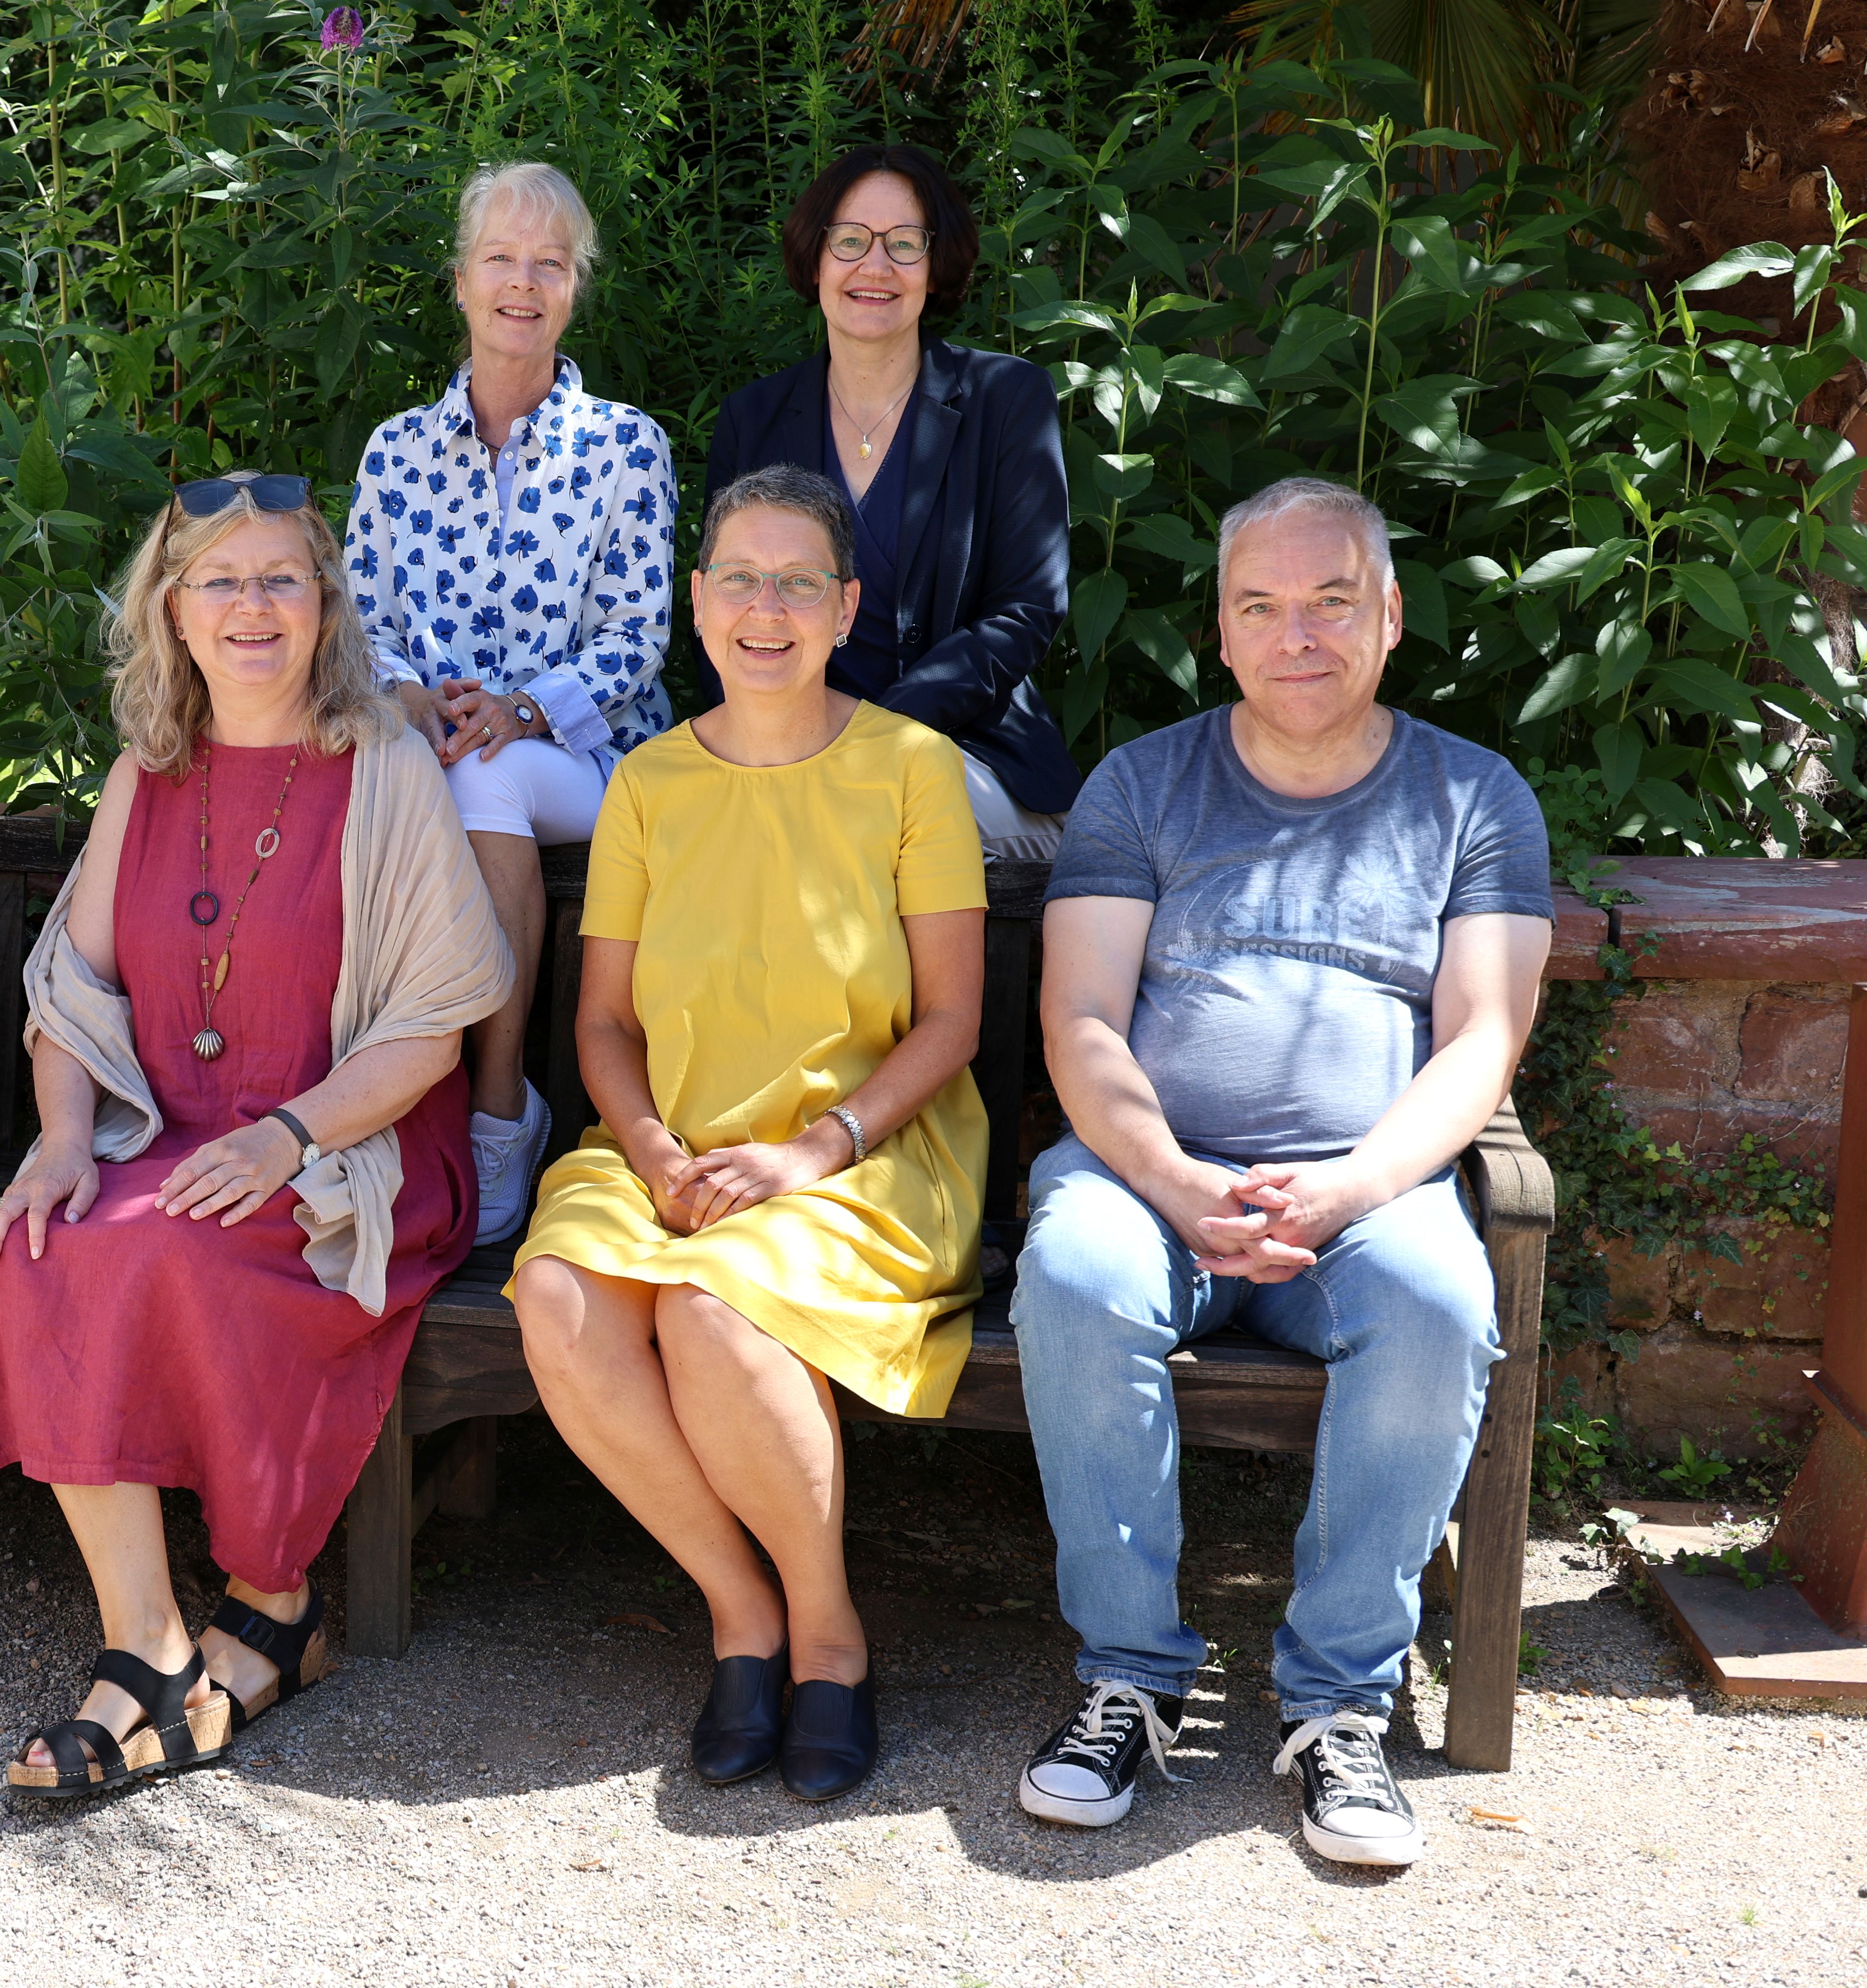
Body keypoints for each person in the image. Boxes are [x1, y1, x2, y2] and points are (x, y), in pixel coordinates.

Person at [1010, 477, 1554, 1867]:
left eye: (1330, 603)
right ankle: (1129, 1677)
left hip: (1368, 1196)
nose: (1296, 635)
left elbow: (1483, 1037)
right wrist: (1177, 1178)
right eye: (1261, 605)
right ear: (1222, 628)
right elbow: (1080, 1020)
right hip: (1148, 1181)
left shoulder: (1470, 797)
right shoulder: (1144, 782)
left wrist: (1355, 1186)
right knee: (1073, 1275)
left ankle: (1337, 1710)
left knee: (1443, 1306)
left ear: (1388, 616)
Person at [0, 471, 511, 1798]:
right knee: (43, 1239)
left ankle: (250, 1610)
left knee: (159, 1256)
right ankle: (160, 1639)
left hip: (347, 1150)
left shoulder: (387, 768)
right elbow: (72, 989)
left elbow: (433, 1025)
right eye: (221, 582)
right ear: (175, 613)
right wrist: (64, 1138)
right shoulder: (152, 770)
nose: (252, 606)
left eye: (280, 579)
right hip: (172, 1140)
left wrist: (289, 1140)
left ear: (321, 605)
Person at [509, 464, 990, 1804]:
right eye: (736, 577)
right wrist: (655, 1150)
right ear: (696, 601)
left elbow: (950, 1020)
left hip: (870, 1152)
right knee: (559, 1293)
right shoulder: (650, 783)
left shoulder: (910, 769)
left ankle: (829, 1627)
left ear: (845, 608)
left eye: (795, 582)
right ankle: (741, 1610)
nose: (763, 606)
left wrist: (813, 1151)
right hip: (678, 1141)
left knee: (714, 1309)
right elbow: (604, 1023)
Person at [345, 160, 678, 1245]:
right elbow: (362, 619)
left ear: (577, 288)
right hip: (430, 745)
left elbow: (640, 634)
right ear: (459, 280)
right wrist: (406, 693)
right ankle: (380, 1105)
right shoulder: (396, 453)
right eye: (501, 259)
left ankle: (498, 1110)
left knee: (488, 769)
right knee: (443, 775)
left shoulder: (628, 447)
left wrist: (527, 708)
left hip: (593, 759)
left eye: (550, 264)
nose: (522, 285)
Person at [701, 143, 1079, 859]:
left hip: (969, 757)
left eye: (904, 244)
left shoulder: (1007, 401)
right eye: (851, 242)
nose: (876, 267)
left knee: (845, 821)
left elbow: (1028, 609)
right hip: (787, 755)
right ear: (815, 257)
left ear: (937, 266)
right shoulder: (752, 420)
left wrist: (864, 737)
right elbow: (725, 609)